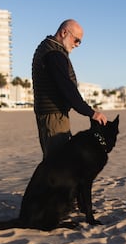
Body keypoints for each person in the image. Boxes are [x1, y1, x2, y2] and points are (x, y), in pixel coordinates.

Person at [32, 19, 107, 159]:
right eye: (76, 40)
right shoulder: (54, 54)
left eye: (80, 41)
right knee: (59, 162)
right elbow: (67, 89)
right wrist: (91, 113)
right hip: (54, 116)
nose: (77, 45)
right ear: (64, 32)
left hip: (51, 115)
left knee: (56, 161)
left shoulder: (47, 47)